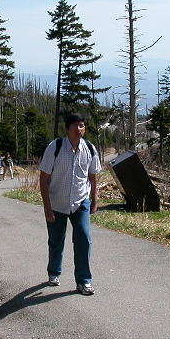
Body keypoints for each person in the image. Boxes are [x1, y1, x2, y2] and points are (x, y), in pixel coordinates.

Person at [39, 114, 101, 296]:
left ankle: (84, 281)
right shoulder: (55, 147)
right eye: (75, 125)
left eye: (81, 125)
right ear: (67, 129)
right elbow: (44, 179)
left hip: (81, 202)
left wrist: (95, 199)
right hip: (57, 203)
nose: (78, 129)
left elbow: (93, 177)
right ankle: (54, 272)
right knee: (56, 241)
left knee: (83, 238)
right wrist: (47, 207)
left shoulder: (90, 148)